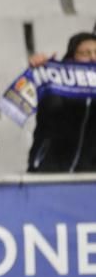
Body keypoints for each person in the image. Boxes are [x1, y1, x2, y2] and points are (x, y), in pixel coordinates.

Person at [27, 32, 96, 172]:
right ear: (72, 57)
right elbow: (48, 108)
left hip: (89, 177)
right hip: (49, 173)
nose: (93, 58)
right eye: (86, 53)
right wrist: (43, 72)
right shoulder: (56, 84)